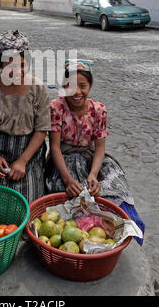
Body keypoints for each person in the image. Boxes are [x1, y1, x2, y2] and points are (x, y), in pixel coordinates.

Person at [46, 59, 145, 245]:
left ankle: (123, 231)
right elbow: (55, 148)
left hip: (92, 159)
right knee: (73, 197)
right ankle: (84, 236)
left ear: (90, 85)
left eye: (82, 86)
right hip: (64, 161)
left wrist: (93, 174)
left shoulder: (99, 110)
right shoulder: (56, 107)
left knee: (115, 191)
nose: (76, 92)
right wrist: (67, 179)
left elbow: (100, 148)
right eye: (70, 86)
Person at [0, 30, 51, 203]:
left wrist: (23, 161)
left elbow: (41, 130)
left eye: (22, 65)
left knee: (28, 208)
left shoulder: (38, 89)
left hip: (29, 155)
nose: (16, 71)